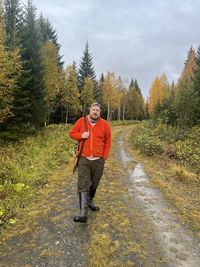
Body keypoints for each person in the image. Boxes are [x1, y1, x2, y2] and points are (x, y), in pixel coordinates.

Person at [69, 103, 111, 223]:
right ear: (90, 110)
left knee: (94, 184)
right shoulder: (81, 121)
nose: (95, 112)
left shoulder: (105, 125)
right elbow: (71, 134)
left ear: (100, 112)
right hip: (84, 159)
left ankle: (90, 201)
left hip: (98, 160)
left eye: (97, 110)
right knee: (83, 184)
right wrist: (81, 135)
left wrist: (104, 156)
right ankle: (83, 214)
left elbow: (108, 141)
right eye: (93, 109)